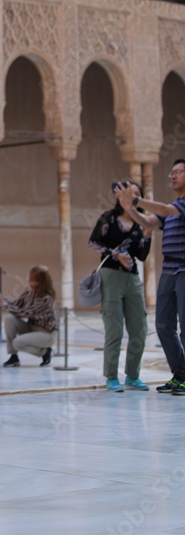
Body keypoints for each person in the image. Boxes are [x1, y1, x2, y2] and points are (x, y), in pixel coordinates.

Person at [118, 159, 185, 396]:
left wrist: (136, 200)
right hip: (169, 271)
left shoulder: (179, 206)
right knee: (164, 326)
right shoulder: (173, 206)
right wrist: (130, 209)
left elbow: (164, 211)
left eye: (178, 172)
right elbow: (147, 221)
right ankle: (180, 375)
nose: (173, 176)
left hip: (184, 271)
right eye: (172, 172)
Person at [88, 180, 152, 392]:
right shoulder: (109, 218)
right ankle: (111, 376)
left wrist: (149, 235)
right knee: (114, 329)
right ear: (119, 196)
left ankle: (133, 376)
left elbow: (141, 255)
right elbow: (94, 242)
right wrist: (115, 254)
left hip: (132, 278)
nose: (131, 196)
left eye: (136, 193)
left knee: (140, 329)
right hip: (111, 276)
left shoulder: (139, 223)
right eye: (128, 192)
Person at [0, 266, 58, 367]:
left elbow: (24, 313)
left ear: (39, 282)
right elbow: (15, 305)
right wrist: (0, 298)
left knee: (17, 343)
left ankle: (45, 352)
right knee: (9, 318)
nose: (28, 280)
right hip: (31, 327)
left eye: (31, 279)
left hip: (46, 333)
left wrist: (4, 304)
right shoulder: (29, 291)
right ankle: (13, 357)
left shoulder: (46, 299)